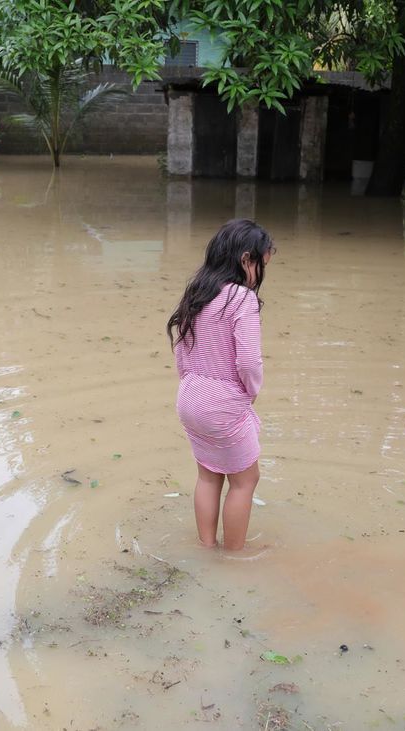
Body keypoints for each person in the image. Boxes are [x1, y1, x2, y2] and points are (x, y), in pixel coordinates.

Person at [167, 219, 275, 551]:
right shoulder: (242, 299)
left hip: (189, 397)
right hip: (223, 403)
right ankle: (234, 556)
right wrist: (250, 393)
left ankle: (206, 547)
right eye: (261, 265)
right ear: (245, 260)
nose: (260, 274)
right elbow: (249, 362)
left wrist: (191, 383)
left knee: (208, 475)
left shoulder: (198, 292)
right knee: (245, 481)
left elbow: (182, 350)